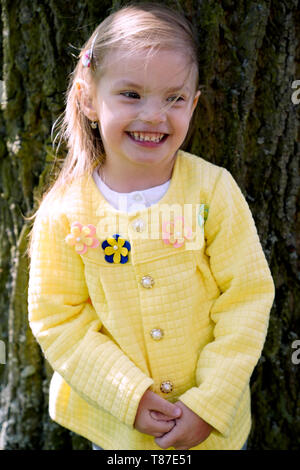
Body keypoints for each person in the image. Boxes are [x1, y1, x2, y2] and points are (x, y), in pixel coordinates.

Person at [28, 2, 275, 450]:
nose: (154, 115)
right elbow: (57, 318)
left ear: (194, 104)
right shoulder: (64, 212)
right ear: (87, 98)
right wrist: (129, 396)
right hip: (118, 431)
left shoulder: (212, 191)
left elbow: (248, 297)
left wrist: (209, 404)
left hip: (212, 431)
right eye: (131, 94)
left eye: (174, 98)